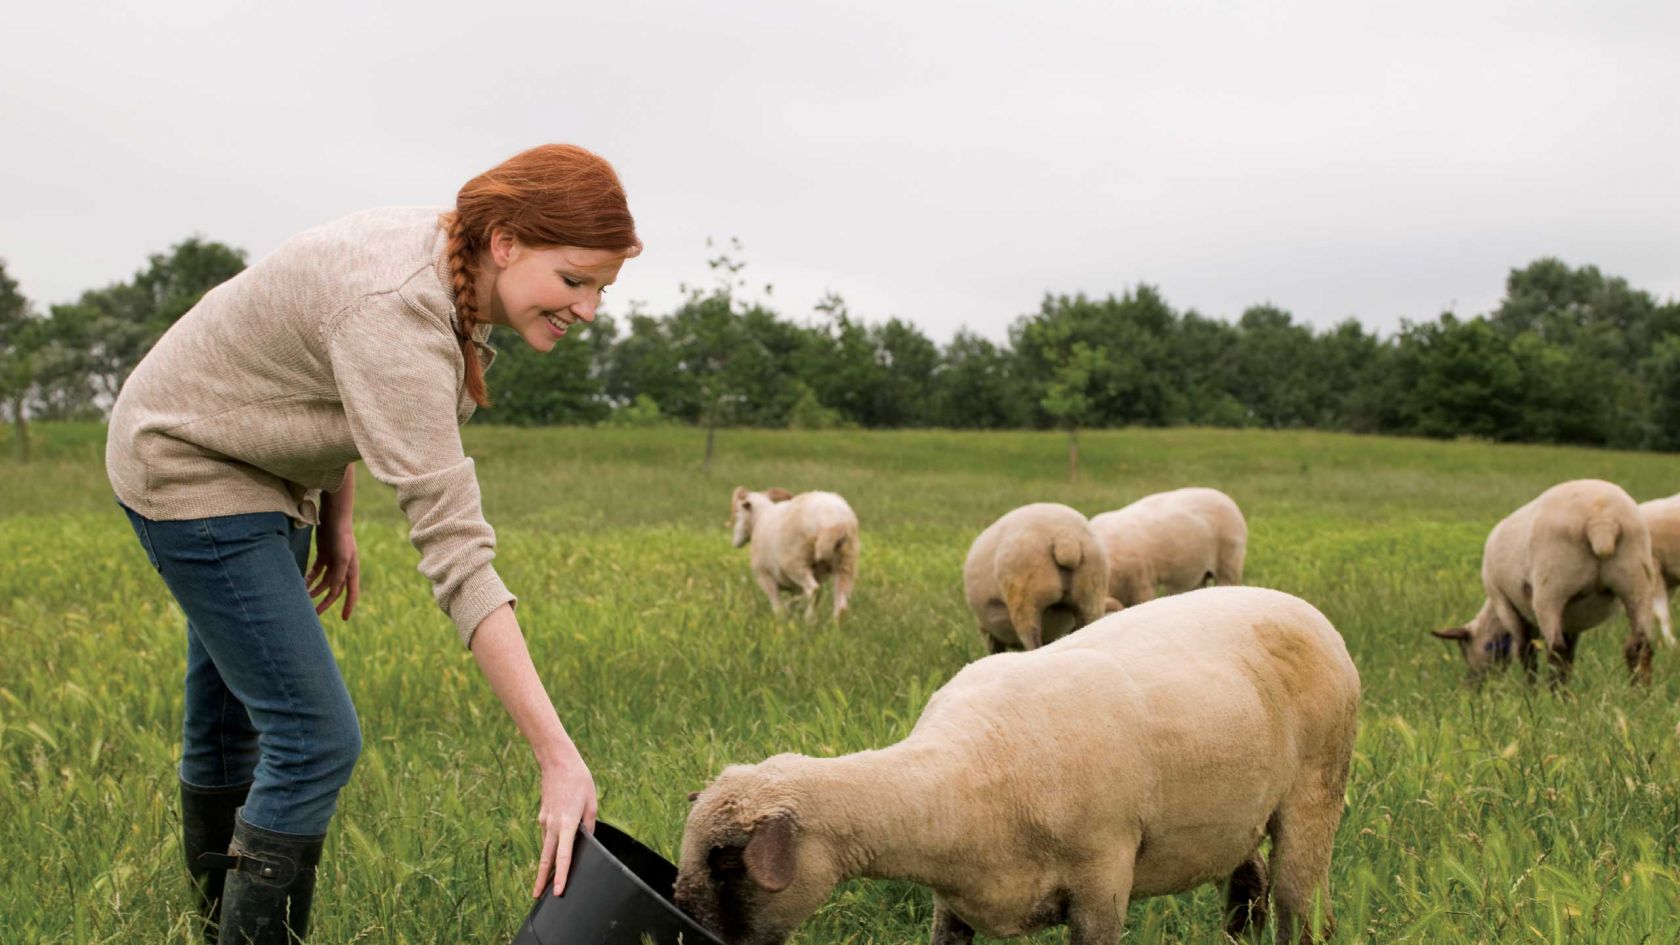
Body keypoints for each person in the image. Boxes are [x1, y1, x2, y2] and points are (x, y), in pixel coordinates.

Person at [105, 144, 639, 944]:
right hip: (190, 464)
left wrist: (336, 511)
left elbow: (323, 378)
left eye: (601, 288)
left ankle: (216, 928)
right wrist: (557, 756)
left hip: (261, 462)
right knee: (313, 739)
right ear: (506, 243)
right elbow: (457, 554)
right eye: (574, 280)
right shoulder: (398, 306)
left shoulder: (449, 259)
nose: (588, 309)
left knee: (233, 721)